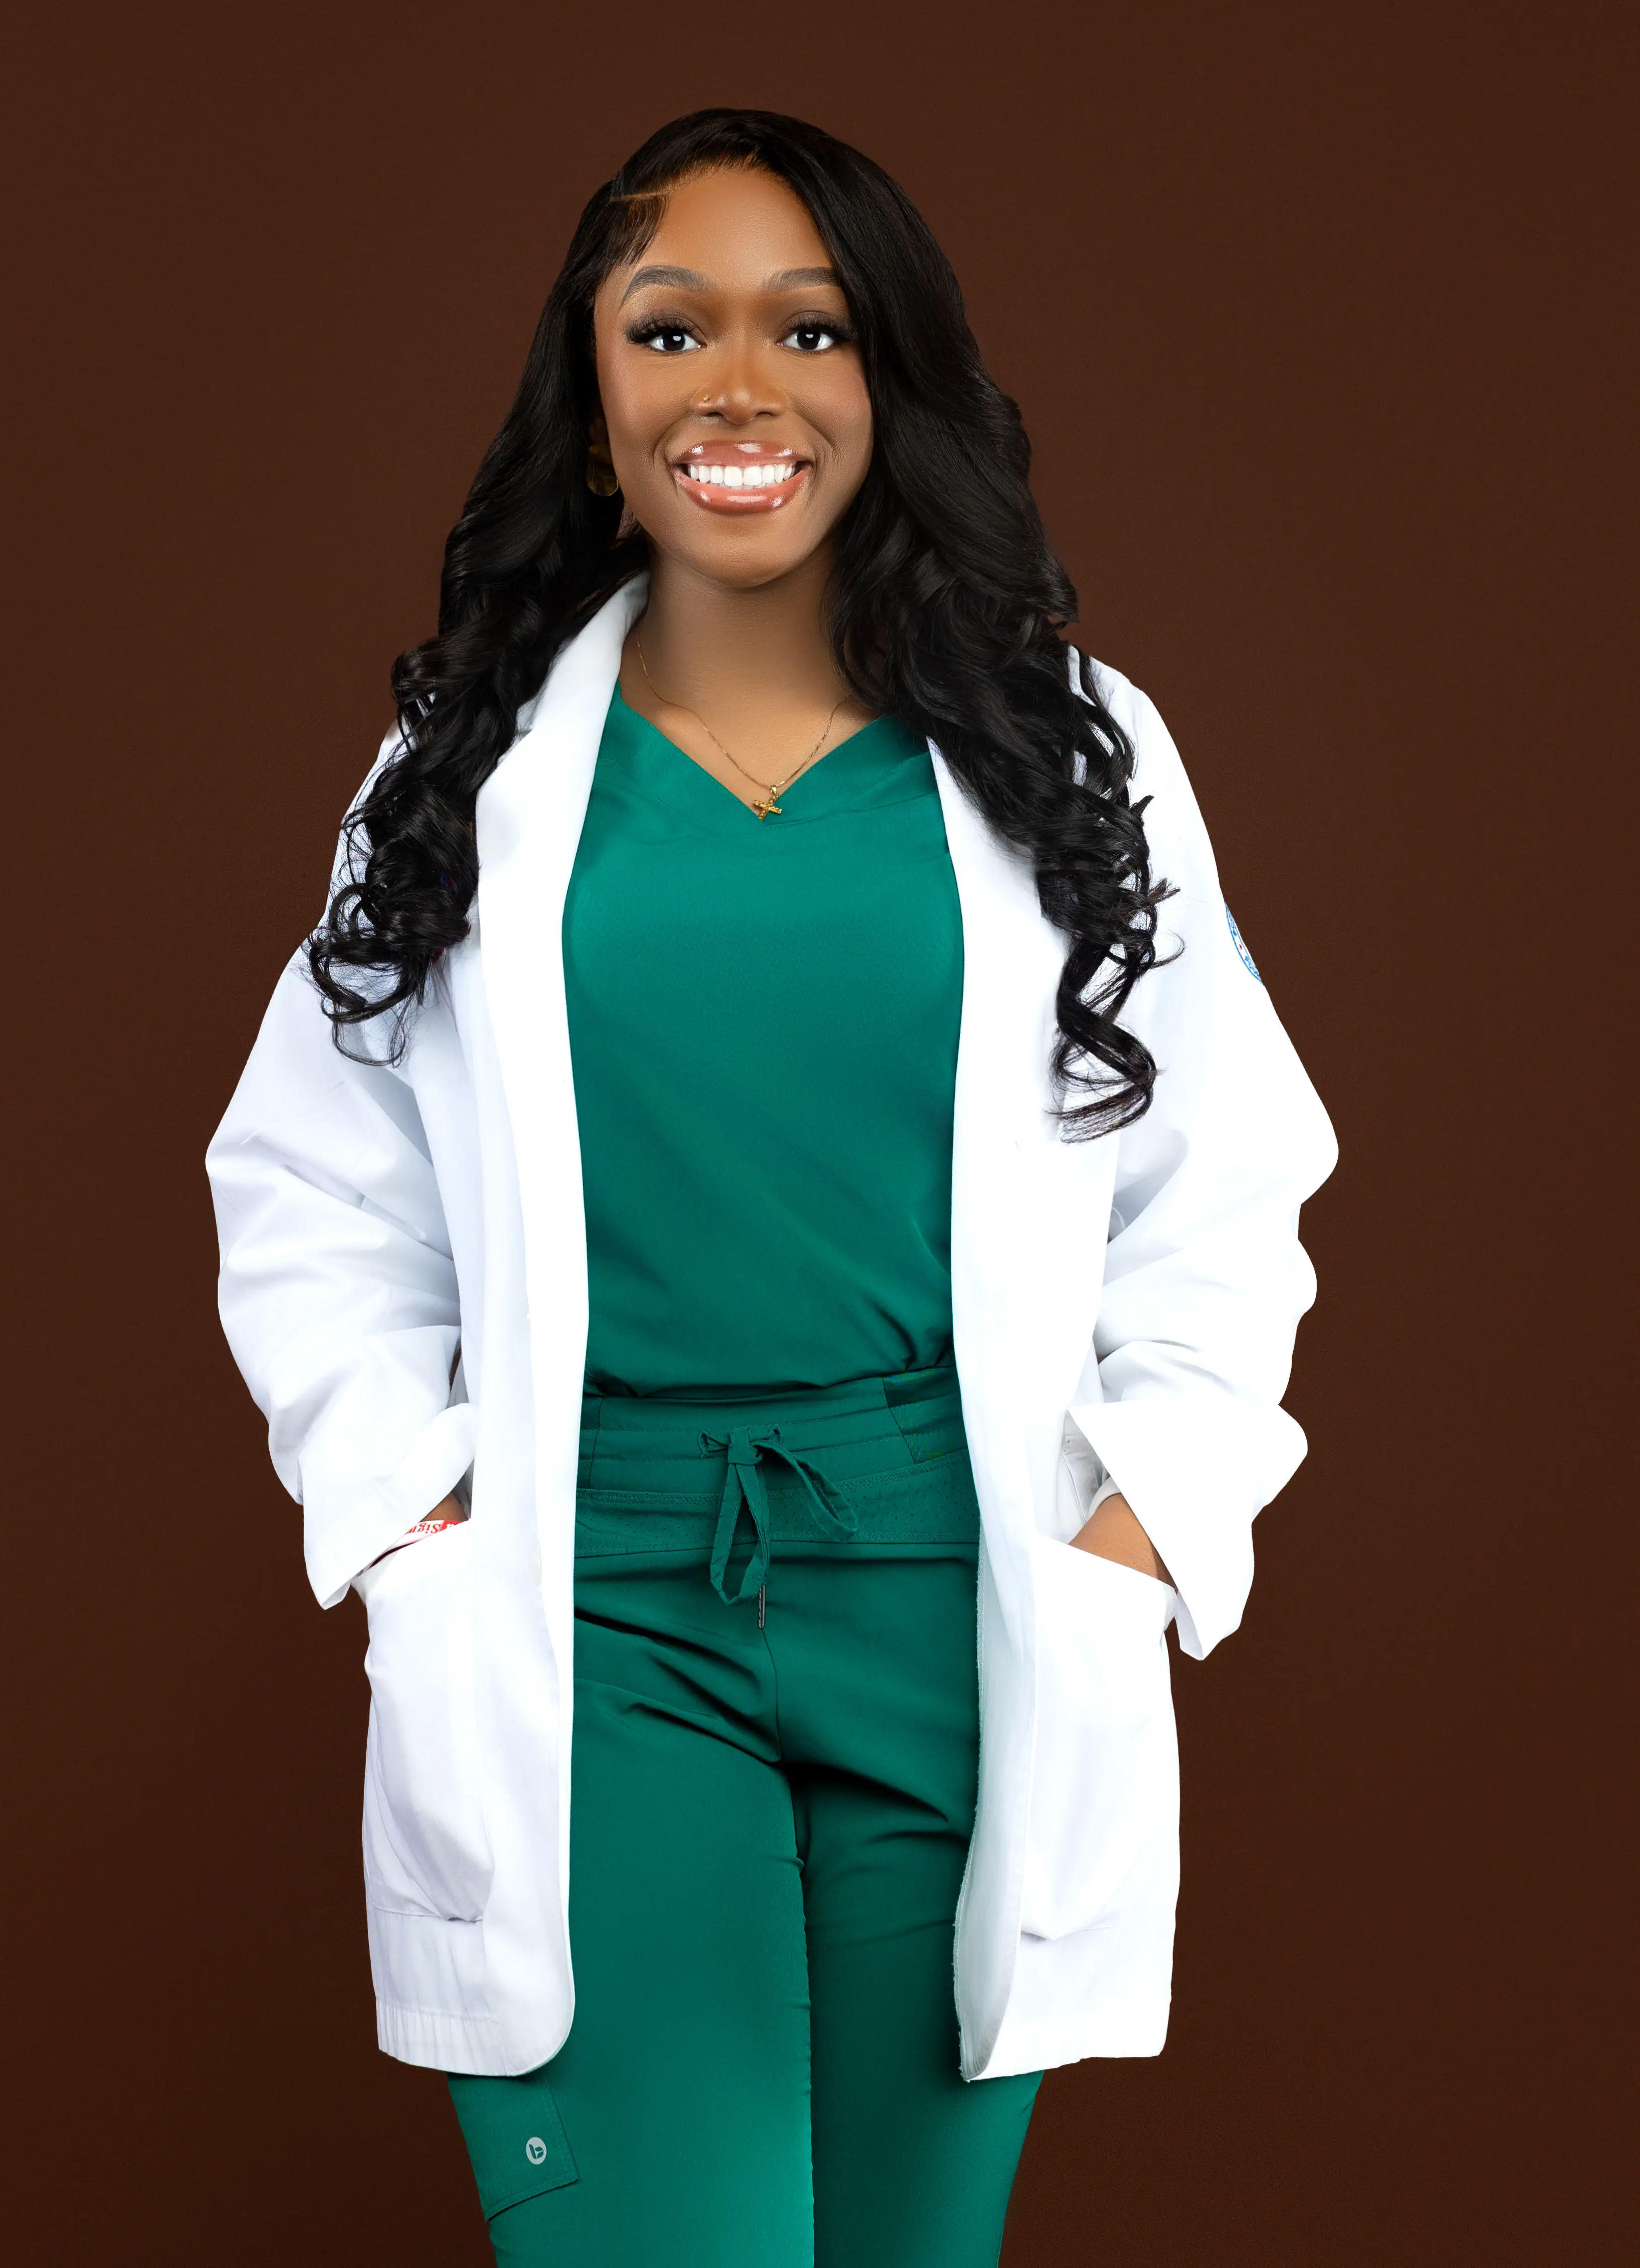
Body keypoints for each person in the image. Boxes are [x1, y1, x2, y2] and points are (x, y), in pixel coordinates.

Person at [208, 108, 1335, 2268]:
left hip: (962, 1598)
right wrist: (416, 1531)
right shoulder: (463, 765)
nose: (741, 386)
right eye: (672, 325)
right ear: (594, 385)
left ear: (886, 376)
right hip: (599, 1604)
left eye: (808, 328)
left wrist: (1134, 1538)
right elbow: (310, 1180)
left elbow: (1231, 1166)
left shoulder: (1067, 747)